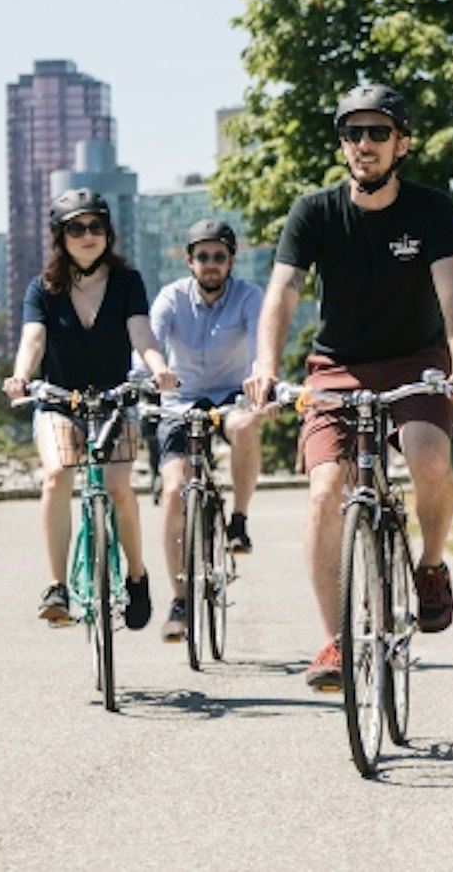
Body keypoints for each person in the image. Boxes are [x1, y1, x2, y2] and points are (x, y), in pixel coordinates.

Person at [244, 85, 453, 692]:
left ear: (402, 143)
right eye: (353, 133)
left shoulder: (431, 210)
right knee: (327, 488)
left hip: (416, 361)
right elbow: (283, 292)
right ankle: (334, 640)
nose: (364, 145)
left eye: (378, 133)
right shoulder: (314, 212)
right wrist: (266, 364)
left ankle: (429, 566)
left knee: (430, 455)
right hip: (336, 366)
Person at [3, 189, 176, 630]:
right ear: (60, 236)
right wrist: (21, 375)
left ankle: (136, 575)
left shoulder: (127, 282)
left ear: (108, 233)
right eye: (76, 228)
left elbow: (142, 334)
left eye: (95, 226)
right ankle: (56, 585)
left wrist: (158, 369)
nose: (87, 235)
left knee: (119, 487)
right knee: (58, 474)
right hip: (60, 400)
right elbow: (33, 339)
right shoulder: (41, 290)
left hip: (116, 399)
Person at [149, 218, 264, 642]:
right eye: (203, 257)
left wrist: (259, 379)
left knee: (248, 425)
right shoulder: (170, 298)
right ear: (189, 260)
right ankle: (179, 600)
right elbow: (149, 342)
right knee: (176, 491)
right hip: (180, 399)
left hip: (231, 395)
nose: (211, 265)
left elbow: (259, 345)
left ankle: (238, 520)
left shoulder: (250, 296)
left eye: (219, 257)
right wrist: (151, 372)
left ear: (231, 260)